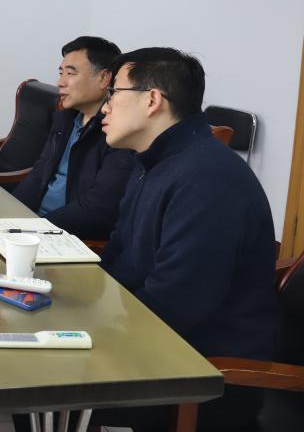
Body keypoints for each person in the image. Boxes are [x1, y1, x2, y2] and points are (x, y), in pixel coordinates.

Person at [95, 47, 276, 431]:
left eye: (113, 93)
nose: (104, 107)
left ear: (152, 100)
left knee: (35, 390)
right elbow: (119, 250)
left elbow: (177, 303)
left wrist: (90, 334)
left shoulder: (206, 179)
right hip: (156, 341)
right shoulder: (153, 160)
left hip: (199, 373)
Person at [11, 36, 134, 239]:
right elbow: (40, 173)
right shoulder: (65, 117)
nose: (60, 82)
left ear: (104, 78)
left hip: (66, 236)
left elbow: (98, 208)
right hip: (34, 226)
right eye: (61, 73)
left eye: (70, 73)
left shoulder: (118, 132)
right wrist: (8, 217)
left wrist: (33, 229)